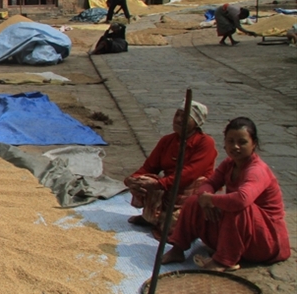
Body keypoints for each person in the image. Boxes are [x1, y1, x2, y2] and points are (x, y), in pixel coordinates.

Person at [163, 117, 291, 271]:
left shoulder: (257, 170)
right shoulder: (229, 164)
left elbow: (242, 200)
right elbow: (208, 184)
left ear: (254, 144)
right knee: (193, 201)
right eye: (230, 141)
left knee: (237, 207)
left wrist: (212, 200)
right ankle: (178, 249)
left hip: (265, 238)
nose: (235, 146)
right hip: (240, 231)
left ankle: (224, 260)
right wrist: (205, 200)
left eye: (242, 142)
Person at [124, 101, 218, 232]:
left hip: (189, 191)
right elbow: (149, 166)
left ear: (196, 122)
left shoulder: (205, 143)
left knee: (172, 230)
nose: (178, 120)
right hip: (169, 189)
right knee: (144, 180)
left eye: (184, 117)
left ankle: (167, 220)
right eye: (177, 115)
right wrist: (132, 179)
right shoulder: (167, 141)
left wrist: (160, 184)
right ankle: (152, 217)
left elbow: (189, 174)